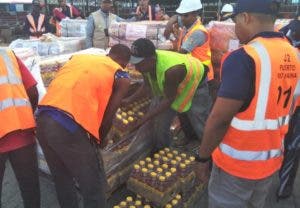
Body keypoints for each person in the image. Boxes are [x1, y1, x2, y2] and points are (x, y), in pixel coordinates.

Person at [195, 0, 299, 207]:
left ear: (246, 17)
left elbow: (219, 119)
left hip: (236, 166)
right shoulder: (294, 56)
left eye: (235, 21)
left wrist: (203, 158)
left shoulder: (244, 57)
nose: (235, 28)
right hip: (270, 161)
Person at [36, 44, 131, 208]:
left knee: (62, 178)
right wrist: (101, 138)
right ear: (124, 62)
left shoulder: (80, 58)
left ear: (109, 54)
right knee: (93, 186)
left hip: (42, 119)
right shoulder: (121, 75)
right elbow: (110, 113)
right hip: (65, 126)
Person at [125, 38, 208, 150]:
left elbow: (169, 99)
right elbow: (147, 86)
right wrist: (129, 100)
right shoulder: (146, 66)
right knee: (163, 118)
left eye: (139, 64)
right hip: (174, 83)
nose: (137, 68)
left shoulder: (171, 71)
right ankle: (164, 149)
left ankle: (207, 149)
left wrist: (144, 119)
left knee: (197, 116)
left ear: (151, 59)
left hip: (195, 78)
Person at [0, 48, 40, 208]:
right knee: (30, 188)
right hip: (21, 132)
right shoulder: (7, 54)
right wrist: (25, 115)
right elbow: (33, 92)